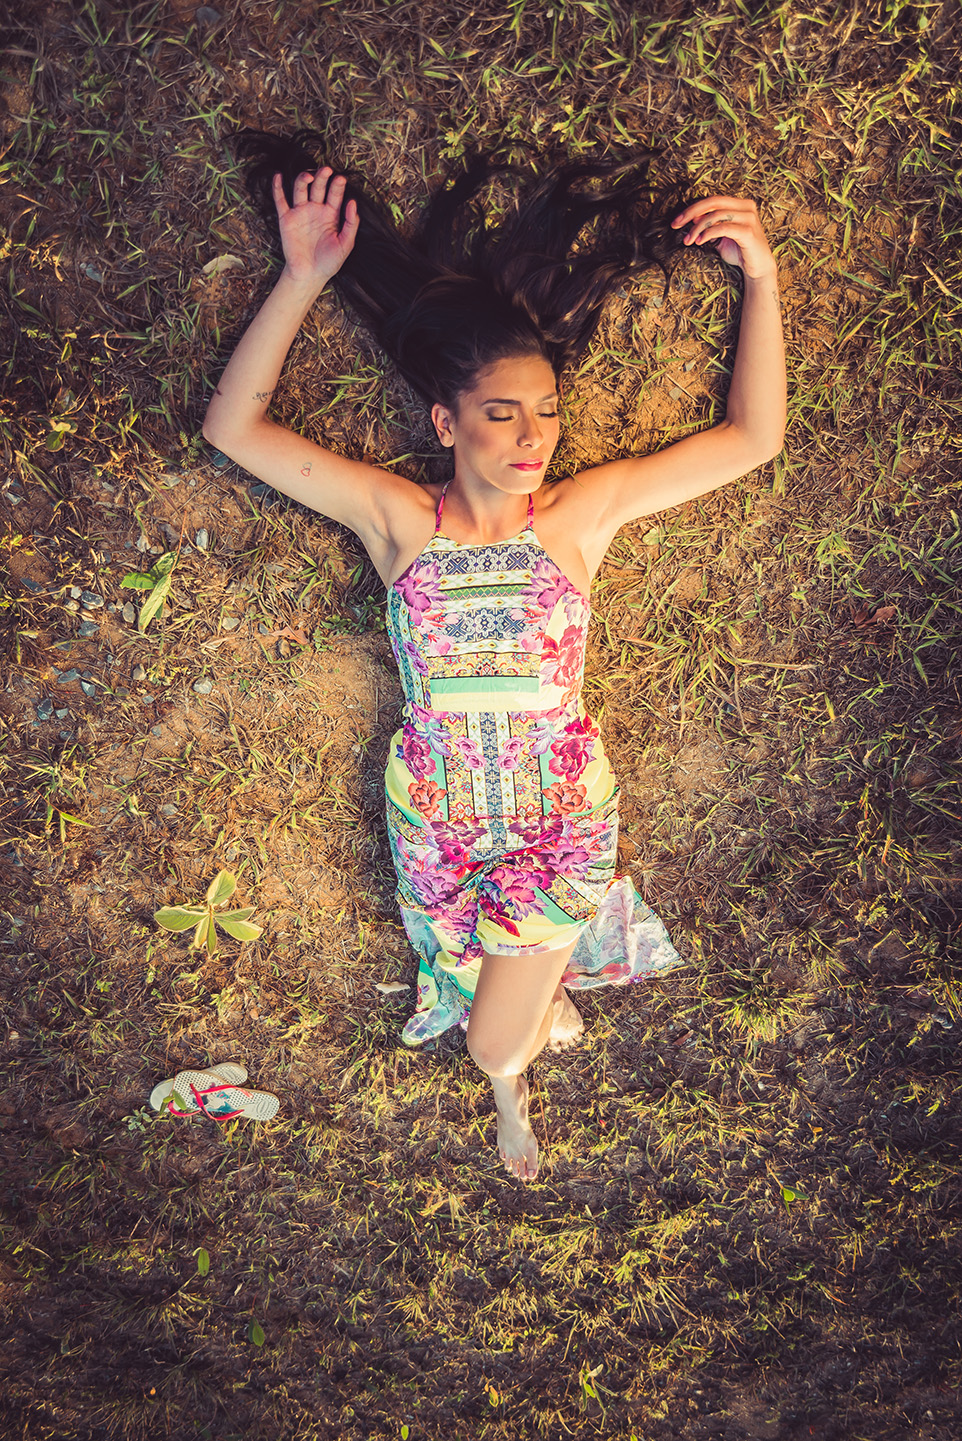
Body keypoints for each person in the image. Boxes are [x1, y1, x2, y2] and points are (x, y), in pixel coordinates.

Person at [203, 133, 785, 1181]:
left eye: (546, 412)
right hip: (439, 817)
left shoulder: (575, 518)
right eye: (501, 414)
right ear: (446, 420)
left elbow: (751, 439)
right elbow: (235, 430)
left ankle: (509, 1079)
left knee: (490, 1045)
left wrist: (763, 279)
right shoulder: (398, 521)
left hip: (559, 820)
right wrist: (301, 279)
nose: (533, 438)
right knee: (477, 976)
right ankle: (530, 1011)